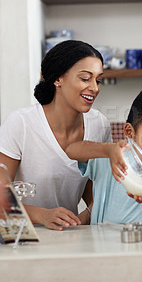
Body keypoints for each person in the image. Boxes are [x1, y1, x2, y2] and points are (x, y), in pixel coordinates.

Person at [0, 40, 112, 230]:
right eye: (85, 78)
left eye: (98, 80)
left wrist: (86, 216)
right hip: (22, 236)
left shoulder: (99, 125)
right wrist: (42, 215)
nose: (95, 88)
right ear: (57, 79)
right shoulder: (21, 123)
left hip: (67, 236)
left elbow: (97, 191)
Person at [65, 87, 142, 224]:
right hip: (102, 241)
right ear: (129, 132)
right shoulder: (109, 159)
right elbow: (71, 150)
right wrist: (108, 150)